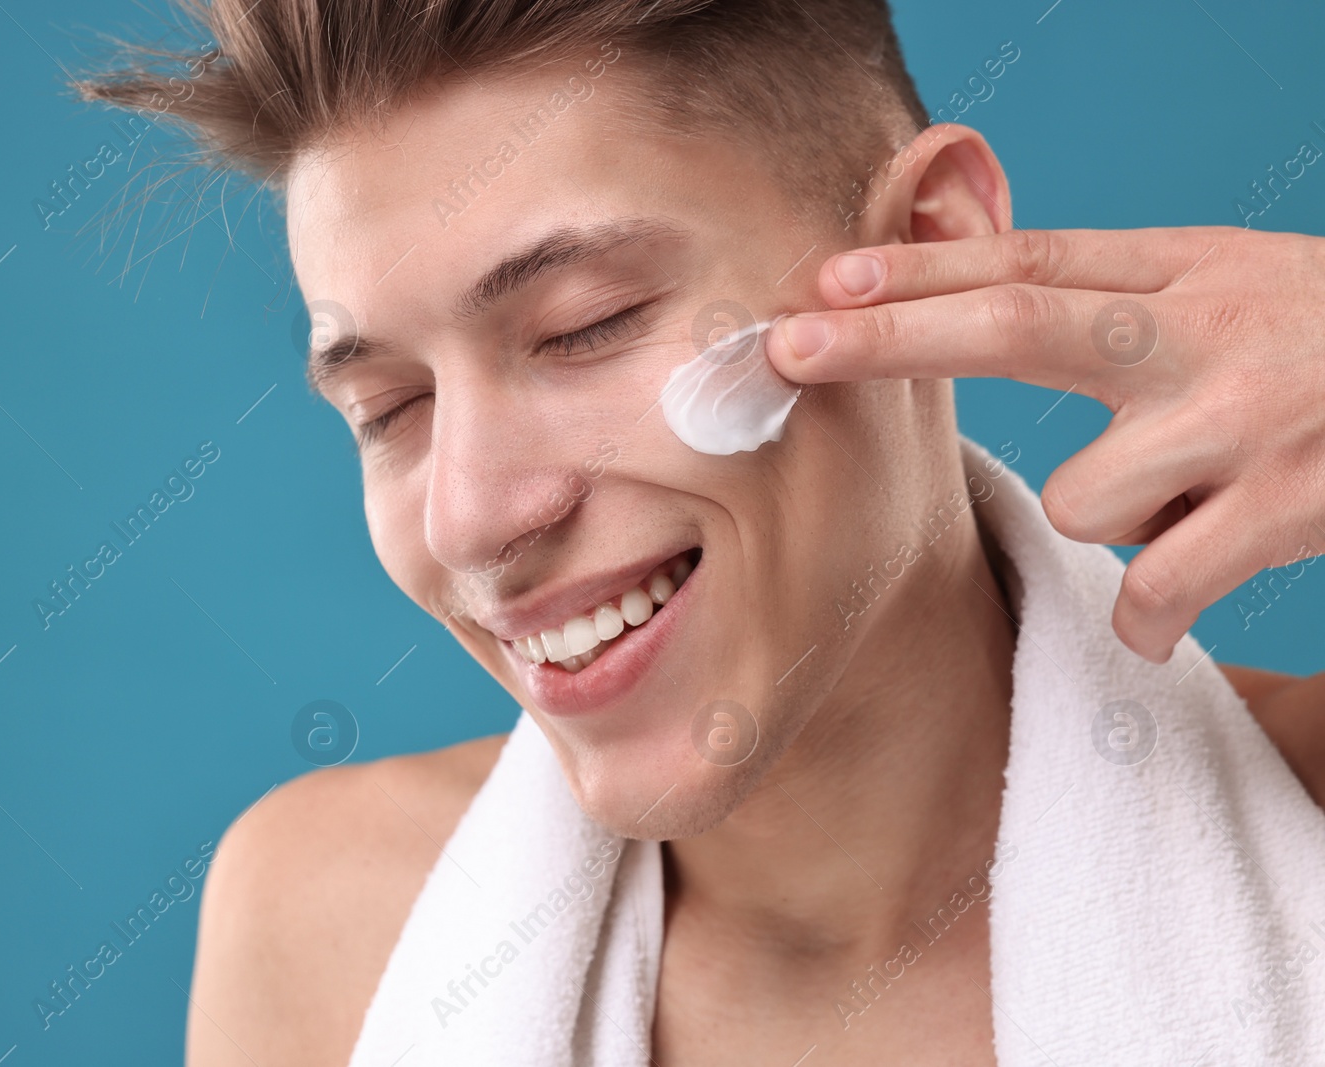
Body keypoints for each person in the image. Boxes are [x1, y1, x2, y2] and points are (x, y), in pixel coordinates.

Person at [72, 1, 1325, 1062]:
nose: (466, 519)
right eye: (388, 405)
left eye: (585, 325)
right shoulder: (329, 919)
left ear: (930, 244)